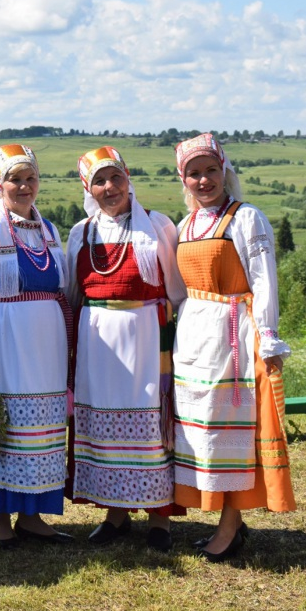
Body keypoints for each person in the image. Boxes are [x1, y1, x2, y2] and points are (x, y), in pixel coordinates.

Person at [171, 133, 295, 562]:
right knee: (203, 430)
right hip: (195, 335)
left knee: (229, 431)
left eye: (210, 170)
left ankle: (229, 525)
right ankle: (228, 521)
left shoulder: (246, 218)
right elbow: (178, 288)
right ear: (182, 179)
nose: (203, 180)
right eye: (194, 173)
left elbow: (263, 281)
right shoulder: (186, 225)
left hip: (233, 334)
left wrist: (269, 334)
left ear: (225, 171)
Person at [66, 146, 186, 552]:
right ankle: (115, 513)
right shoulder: (80, 233)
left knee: (151, 424)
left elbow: (176, 292)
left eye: (115, 177)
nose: (109, 187)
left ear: (127, 178)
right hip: (97, 342)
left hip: (146, 337)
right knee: (105, 427)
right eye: (99, 180)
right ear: (89, 188)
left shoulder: (157, 226)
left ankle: (159, 519)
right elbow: (72, 294)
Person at [0, 144, 73, 549]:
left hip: (47, 348)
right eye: (14, 178)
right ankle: (1, 519)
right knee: (6, 427)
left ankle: (32, 514)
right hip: (5, 341)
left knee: (41, 430)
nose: (24, 186)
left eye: (30, 178)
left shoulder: (51, 231)